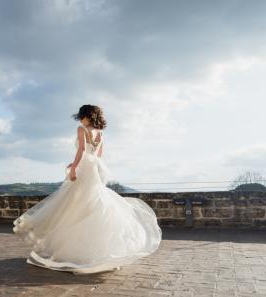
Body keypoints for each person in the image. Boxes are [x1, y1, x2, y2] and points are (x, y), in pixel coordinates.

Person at [13, 104, 162, 274]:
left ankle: (73, 251)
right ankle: (97, 252)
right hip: (94, 168)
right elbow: (98, 155)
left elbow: (82, 150)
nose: (80, 119)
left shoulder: (81, 129)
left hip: (85, 167)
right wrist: (85, 164)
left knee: (74, 203)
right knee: (92, 201)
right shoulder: (100, 132)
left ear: (86, 116)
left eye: (81, 116)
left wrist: (75, 167)